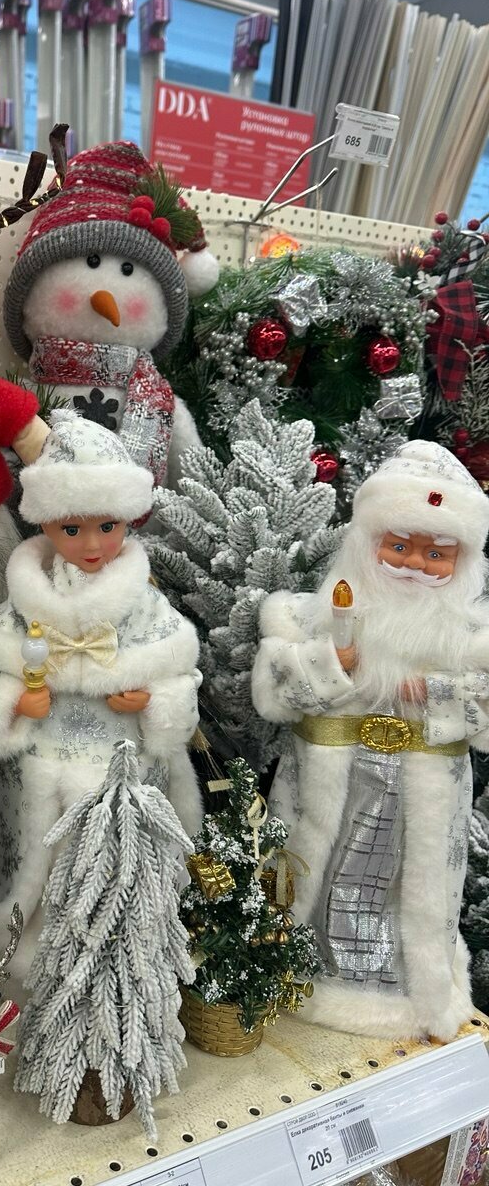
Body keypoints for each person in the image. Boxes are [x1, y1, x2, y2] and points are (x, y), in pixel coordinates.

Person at [252, 441, 489, 1041]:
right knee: (322, 875)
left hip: (419, 800)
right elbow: (274, 693)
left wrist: (435, 691)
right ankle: (301, 969)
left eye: (436, 554)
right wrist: (335, 663)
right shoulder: (311, 615)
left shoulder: (473, 634)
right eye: (399, 546)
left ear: (461, 560)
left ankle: (401, 986)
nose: (414, 565)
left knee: (405, 889)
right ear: (368, 541)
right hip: (336, 789)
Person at [0, 410, 202, 970]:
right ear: (46, 525)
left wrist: (153, 702)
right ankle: (16, 942)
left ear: (127, 521)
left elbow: (181, 677)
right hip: (39, 754)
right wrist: (13, 702)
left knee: (112, 857)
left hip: (120, 761)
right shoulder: (23, 601)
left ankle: (113, 951)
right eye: (72, 529)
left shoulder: (145, 605)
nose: (92, 544)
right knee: (27, 834)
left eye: (108, 527)